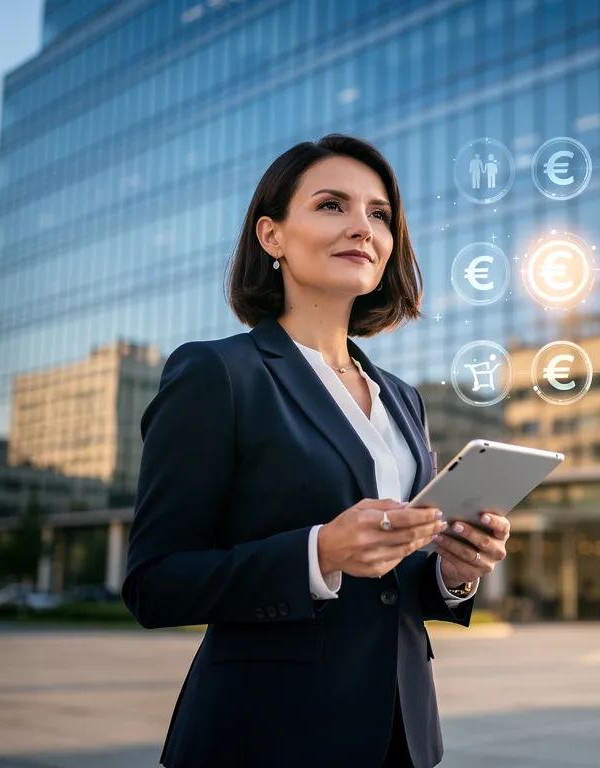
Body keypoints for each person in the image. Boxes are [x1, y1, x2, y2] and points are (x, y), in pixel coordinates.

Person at [121, 134, 512, 767]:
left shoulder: (402, 399)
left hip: (400, 737)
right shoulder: (217, 373)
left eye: (379, 214)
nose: (362, 227)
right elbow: (154, 583)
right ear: (271, 236)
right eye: (332, 205)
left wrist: (452, 573)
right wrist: (318, 552)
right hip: (264, 736)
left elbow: (392, 580)